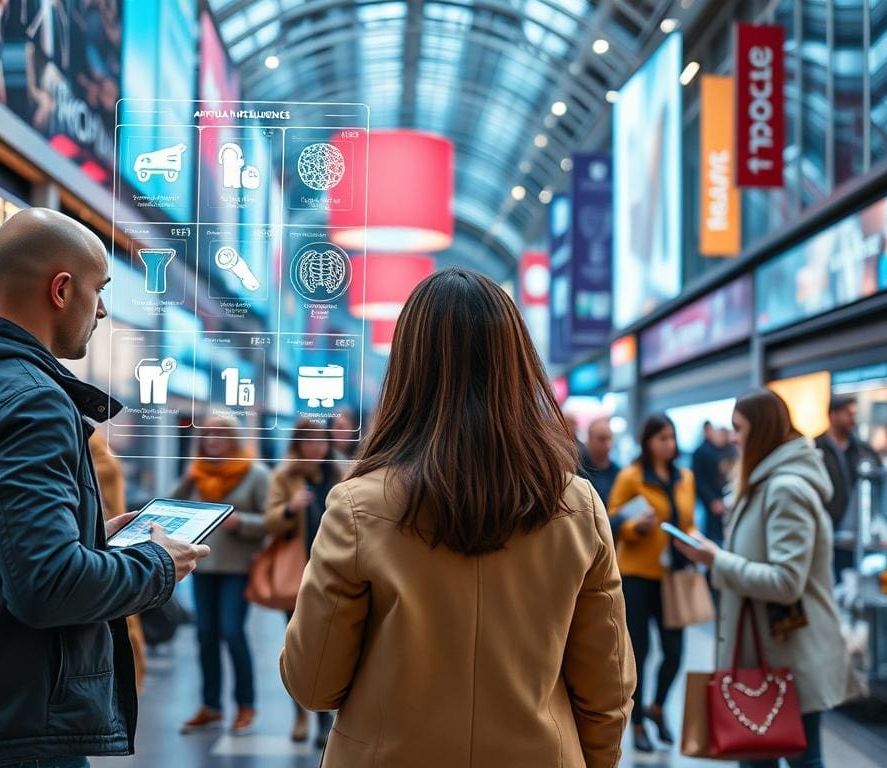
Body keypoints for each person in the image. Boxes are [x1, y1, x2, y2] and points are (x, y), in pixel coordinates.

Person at [280, 269, 636, 767]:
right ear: (516, 365)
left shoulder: (358, 507)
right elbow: (608, 687)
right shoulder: (576, 506)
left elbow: (313, 682)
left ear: (407, 369)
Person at [0, 208, 208, 767]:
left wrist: (89, 536)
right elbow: (47, 585)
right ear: (62, 289)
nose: (105, 309)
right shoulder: (31, 401)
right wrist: (158, 565)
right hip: (14, 731)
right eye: (100, 289)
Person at [675, 389, 860, 768]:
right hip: (770, 651)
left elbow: (786, 581)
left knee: (795, 758)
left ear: (760, 430)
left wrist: (716, 560)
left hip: (788, 655)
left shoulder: (785, 489)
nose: (733, 439)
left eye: (739, 428)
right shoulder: (764, 483)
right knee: (765, 756)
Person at [175, 414, 271, 736]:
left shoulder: (254, 473)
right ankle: (211, 707)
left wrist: (241, 522)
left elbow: (272, 521)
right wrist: (188, 480)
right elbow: (169, 507)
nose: (212, 439)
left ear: (233, 438)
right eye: (207, 433)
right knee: (205, 635)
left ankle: (246, 705)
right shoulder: (198, 473)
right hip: (204, 566)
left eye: (219, 433)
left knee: (232, 631)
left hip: (238, 567)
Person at [608, 413, 697, 754]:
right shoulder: (632, 477)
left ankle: (657, 706)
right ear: (647, 442)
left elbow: (687, 522)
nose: (668, 444)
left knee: (675, 652)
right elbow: (612, 518)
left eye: (671, 437)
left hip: (673, 576)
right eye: (662, 437)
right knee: (640, 652)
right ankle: (640, 723)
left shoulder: (683, 478)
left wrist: (692, 542)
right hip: (637, 575)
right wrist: (635, 528)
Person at [266, 418, 344, 749]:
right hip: (296, 574)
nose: (315, 447)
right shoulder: (285, 477)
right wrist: (289, 509)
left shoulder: (340, 475)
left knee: (331, 644)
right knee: (297, 645)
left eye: (321, 441)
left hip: (334, 572)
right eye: (309, 441)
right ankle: (300, 714)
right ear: (298, 444)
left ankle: (326, 718)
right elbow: (270, 521)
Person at [89, 428, 147, 692]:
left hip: (107, 539)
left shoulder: (90, 441)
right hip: (104, 540)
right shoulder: (89, 440)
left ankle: (128, 687)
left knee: (122, 622)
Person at [814, 395, 880, 575]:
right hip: (825, 534)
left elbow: (879, 481)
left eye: (854, 414)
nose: (852, 418)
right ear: (833, 415)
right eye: (847, 413)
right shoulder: (814, 448)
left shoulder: (863, 450)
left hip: (857, 536)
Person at [692, 421, 729, 546]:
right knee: (712, 533)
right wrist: (711, 500)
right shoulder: (700, 452)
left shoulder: (717, 449)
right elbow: (699, 480)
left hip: (720, 497)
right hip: (711, 500)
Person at [582, 416, 621, 507]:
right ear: (589, 439)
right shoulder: (578, 470)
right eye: (602, 439)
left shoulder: (618, 472)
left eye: (610, 439)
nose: (608, 445)